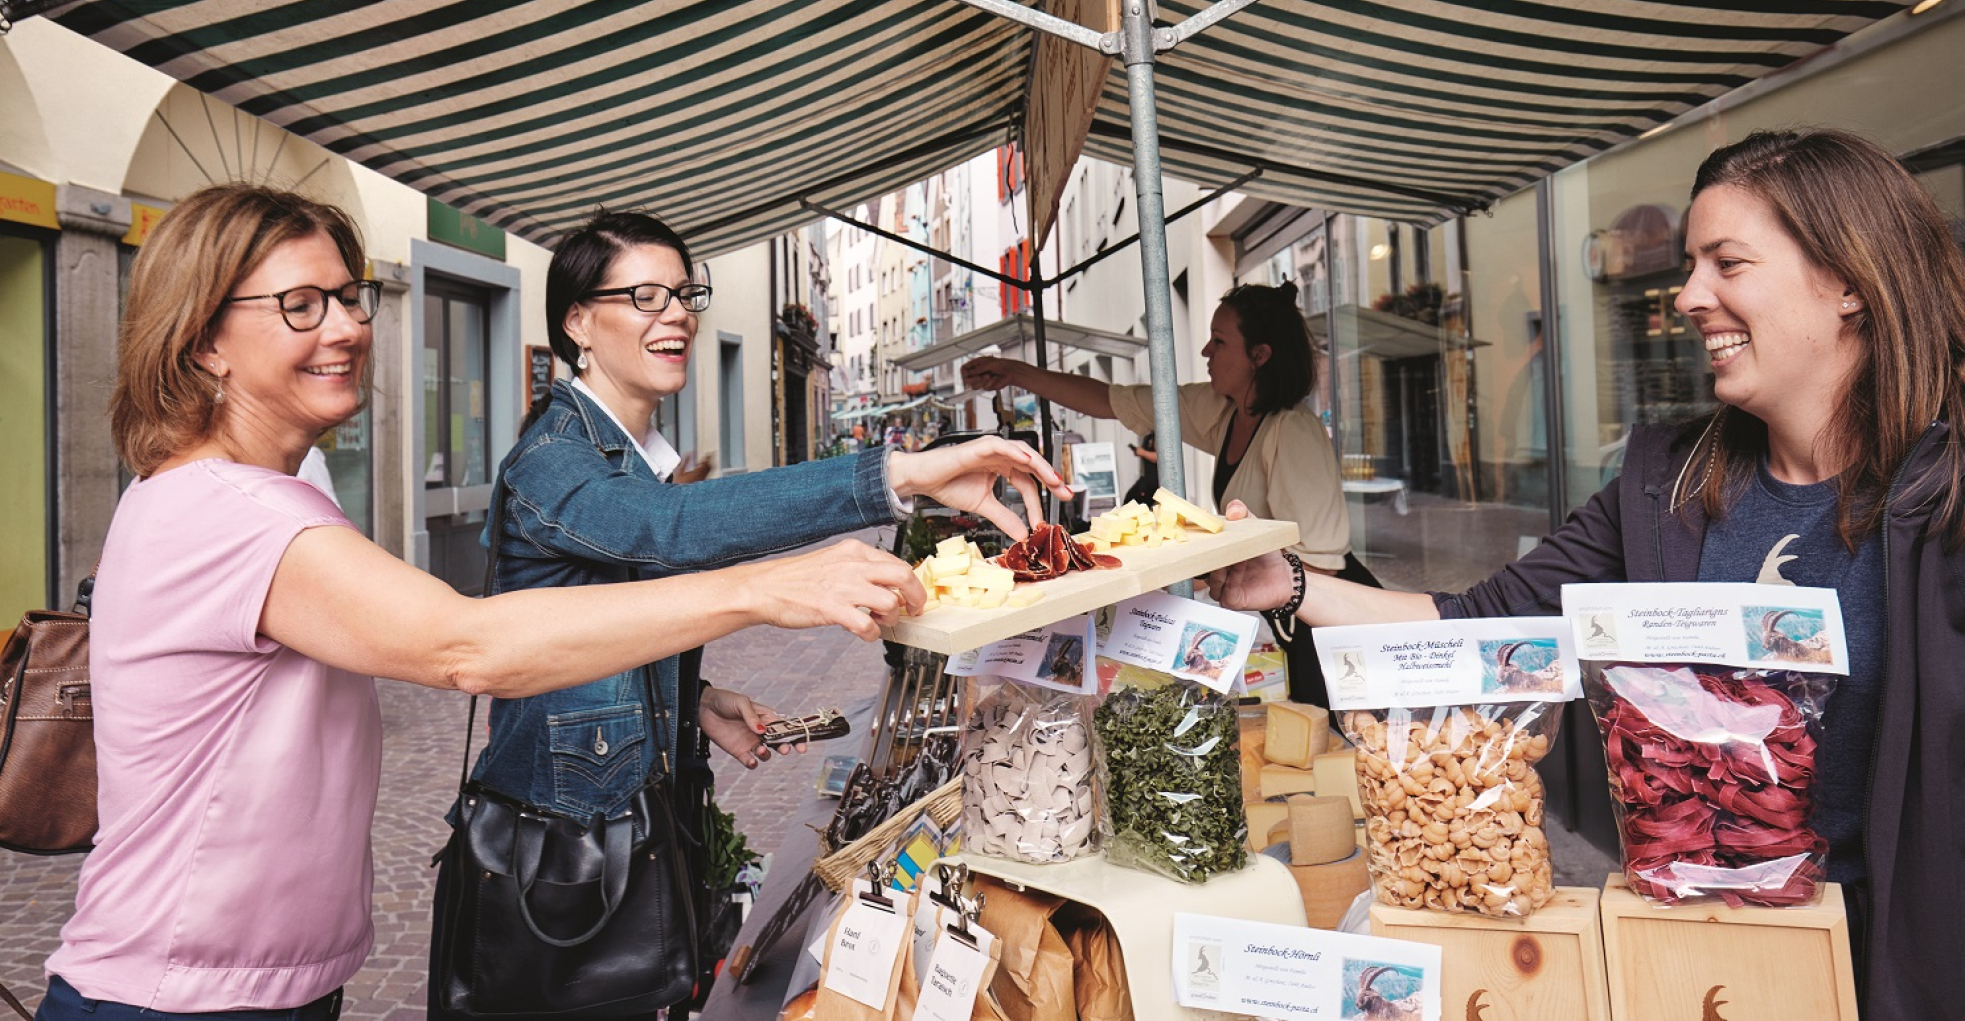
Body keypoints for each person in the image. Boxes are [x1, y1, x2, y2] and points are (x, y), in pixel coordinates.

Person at [37, 185, 952, 1021]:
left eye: (348, 297)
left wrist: (686, 694)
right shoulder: (219, 508)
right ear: (202, 340)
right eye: (299, 306)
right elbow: (464, 646)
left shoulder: (276, 493)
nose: (348, 327)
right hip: (172, 997)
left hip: (266, 987)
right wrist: (766, 583)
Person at [1202, 130, 1965, 1021]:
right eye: (1689, 265)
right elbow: (1481, 625)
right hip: (1690, 955)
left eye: (1728, 263)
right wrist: (1290, 585)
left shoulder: (1942, 498)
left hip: (1906, 964)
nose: (1687, 296)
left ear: (1848, 282)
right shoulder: (1664, 483)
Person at [438, 210, 1068, 1017]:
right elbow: (673, 531)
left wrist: (692, 700)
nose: (675, 314)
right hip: (561, 857)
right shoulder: (555, 459)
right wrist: (897, 475)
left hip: (619, 838)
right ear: (576, 322)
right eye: (643, 296)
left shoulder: (621, 455)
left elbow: (594, 623)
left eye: (683, 293)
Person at [961, 283, 1358, 699]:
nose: (1206, 351)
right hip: (1275, 620)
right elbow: (1111, 400)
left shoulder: (1293, 432)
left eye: (1219, 342)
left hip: (1323, 630)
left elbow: (1322, 566)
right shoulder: (1227, 409)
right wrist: (1016, 373)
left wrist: (1200, 578)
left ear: (1259, 355)